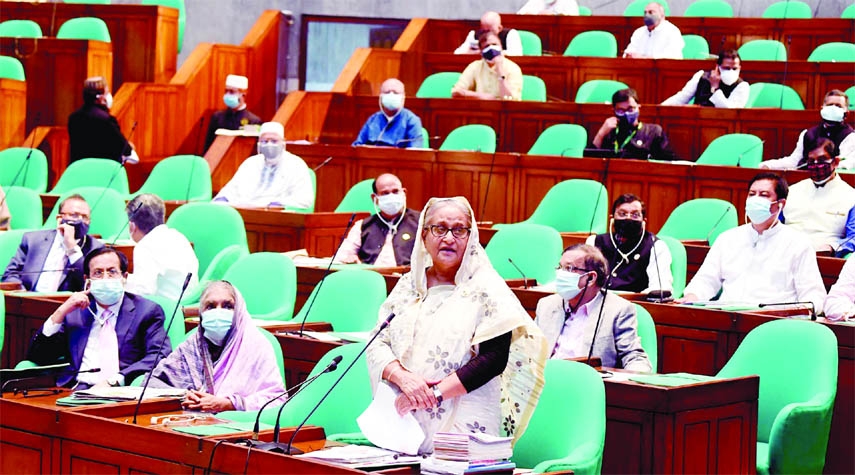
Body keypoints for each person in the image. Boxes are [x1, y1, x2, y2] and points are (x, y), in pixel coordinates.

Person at [366, 197, 547, 453]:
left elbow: (494, 358)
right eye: (439, 229)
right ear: (424, 235)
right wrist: (403, 378)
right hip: (404, 416)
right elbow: (377, 341)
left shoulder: (488, 287)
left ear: (471, 237)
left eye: (459, 229)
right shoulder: (409, 285)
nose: (449, 238)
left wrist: (433, 395)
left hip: (465, 418)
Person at [679, 173, 827, 312]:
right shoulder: (728, 238)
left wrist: (793, 314)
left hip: (773, 320)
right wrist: (691, 297)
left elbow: (813, 297)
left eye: (764, 195)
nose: (755, 199)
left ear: (780, 204)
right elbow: (705, 281)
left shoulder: (798, 243)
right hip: (727, 318)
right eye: (751, 194)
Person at [25, 247, 170, 389]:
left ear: (124, 277)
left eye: (112, 272)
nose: (105, 278)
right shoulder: (76, 311)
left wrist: (116, 380)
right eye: (98, 273)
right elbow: (39, 357)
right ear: (87, 280)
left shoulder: (146, 311)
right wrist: (60, 312)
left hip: (120, 391)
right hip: (75, 389)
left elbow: (159, 355)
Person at [149, 281, 285, 412]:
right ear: (201, 312)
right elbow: (151, 384)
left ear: (238, 311)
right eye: (211, 306)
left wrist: (229, 404)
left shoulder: (257, 346)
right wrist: (182, 395)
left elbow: (276, 400)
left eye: (227, 306)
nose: (218, 312)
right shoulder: (192, 345)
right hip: (189, 422)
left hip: (236, 426)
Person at [535, 244, 652, 372]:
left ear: (590, 278)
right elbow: (529, 349)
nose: (560, 274)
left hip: (587, 385)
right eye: (560, 267)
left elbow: (634, 357)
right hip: (547, 382)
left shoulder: (618, 310)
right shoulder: (546, 305)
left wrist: (636, 379)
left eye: (569, 268)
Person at [3, 194, 103, 292]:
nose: (80, 220)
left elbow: (90, 283)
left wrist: (72, 247)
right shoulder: (33, 240)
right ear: (59, 218)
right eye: (74, 215)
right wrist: (22, 293)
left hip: (66, 304)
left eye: (85, 217)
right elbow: (10, 274)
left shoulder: (95, 249)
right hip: (27, 301)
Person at [213, 121, 314, 209]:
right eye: (264, 141)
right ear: (259, 144)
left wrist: (275, 205)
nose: (269, 144)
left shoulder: (295, 164)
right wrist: (222, 199)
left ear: (283, 142)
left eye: (274, 141)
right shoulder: (250, 163)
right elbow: (231, 189)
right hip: (244, 212)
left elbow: (304, 199)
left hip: (274, 218)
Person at [586, 194, 673, 293]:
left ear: (644, 221)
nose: (628, 218)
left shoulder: (656, 246)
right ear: (612, 218)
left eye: (635, 215)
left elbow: (659, 287)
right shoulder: (594, 242)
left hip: (637, 303)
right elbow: (584, 279)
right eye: (622, 214)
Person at [781, 139, 855, 253]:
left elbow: (853, 237)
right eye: (811, 161)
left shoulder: (851, 197)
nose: (816, 165)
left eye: (821, 160)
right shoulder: (791, 190)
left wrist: (833, 247)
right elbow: (774, 224)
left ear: (835, 162)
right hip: (784, 251)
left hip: (821, 256)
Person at [124, 194, 199, 301]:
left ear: (132, 227)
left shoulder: (145, 246)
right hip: (187, 303)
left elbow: (144, 292)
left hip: (167, 308)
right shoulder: (178, 236)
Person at [337, 173, 420, 266]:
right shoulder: (362, 226)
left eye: (395, 191)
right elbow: (341, 257)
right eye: (385, 193)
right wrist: (350, 259)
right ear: (374, 198)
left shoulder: (421, 223)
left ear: (404, 193)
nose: (391, 196)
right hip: (370, 277)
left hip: (406, 278)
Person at [760, 89, 854, 170]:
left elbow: (845, 164)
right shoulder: (807, 133)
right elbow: (794, 161)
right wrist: (768, 165)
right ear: (822, 109)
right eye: (830, 105)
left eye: (838, 106)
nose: (833, 108)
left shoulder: (850, 136)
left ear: (847, 113)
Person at [592, 88, 678, 161]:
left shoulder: (654, 131)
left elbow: (667, 162)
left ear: (638, 108)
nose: (626, 114)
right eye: (621, 110)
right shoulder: (609, 131)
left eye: (630, 109)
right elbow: (591, 161)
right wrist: (601, 134)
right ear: (613, 111)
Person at [68, 76, 139, 164]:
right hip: (102, 173)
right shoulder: (107, 120)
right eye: (107, 92)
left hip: (78, 171)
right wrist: (129, 147)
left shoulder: (73, 118)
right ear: (100, 97)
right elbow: (126, 150)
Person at [662, 49, 750, 108]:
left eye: (734, 68)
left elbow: (729, 110)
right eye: (726, 68)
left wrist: (715, 88)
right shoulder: (701, 76)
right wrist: (660, 108)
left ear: (740, 68)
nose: (731, 71)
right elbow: (682, 97)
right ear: (717, 67)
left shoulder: (742, 86)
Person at [452, 31, 523, 101]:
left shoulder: (513, 68)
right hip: (481, 110)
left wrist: (500, 72)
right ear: (481, 51)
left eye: (495, 44)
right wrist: (482, 96)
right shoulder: (475, 67)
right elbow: (456, 92)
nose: (491, 48)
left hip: (505, 111)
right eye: (486, 46)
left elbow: (510, 99)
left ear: (501, 46)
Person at [353, 78, 424, 148]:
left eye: (396, 93)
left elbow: (415, 152)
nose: (391, 95)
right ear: (381, 96)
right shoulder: (373, 120)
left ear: (403, 96)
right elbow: (357, 147)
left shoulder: (411, 120)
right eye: (387, 92)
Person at [204, 74, 262, 152]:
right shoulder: (217, 117)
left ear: (243, 94)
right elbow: (208, 145)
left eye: (231, 92)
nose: (227, 95)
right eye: (226, 91)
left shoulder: (253, 121)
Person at [454, 11, 522, 56]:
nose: (487, 34)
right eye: (484, 30)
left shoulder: (510, 34)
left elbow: (517, 55)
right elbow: (457, 53)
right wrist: (472, 53)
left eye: (490, 30)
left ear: (499, 28)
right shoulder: (474, 35)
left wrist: (495, 52)